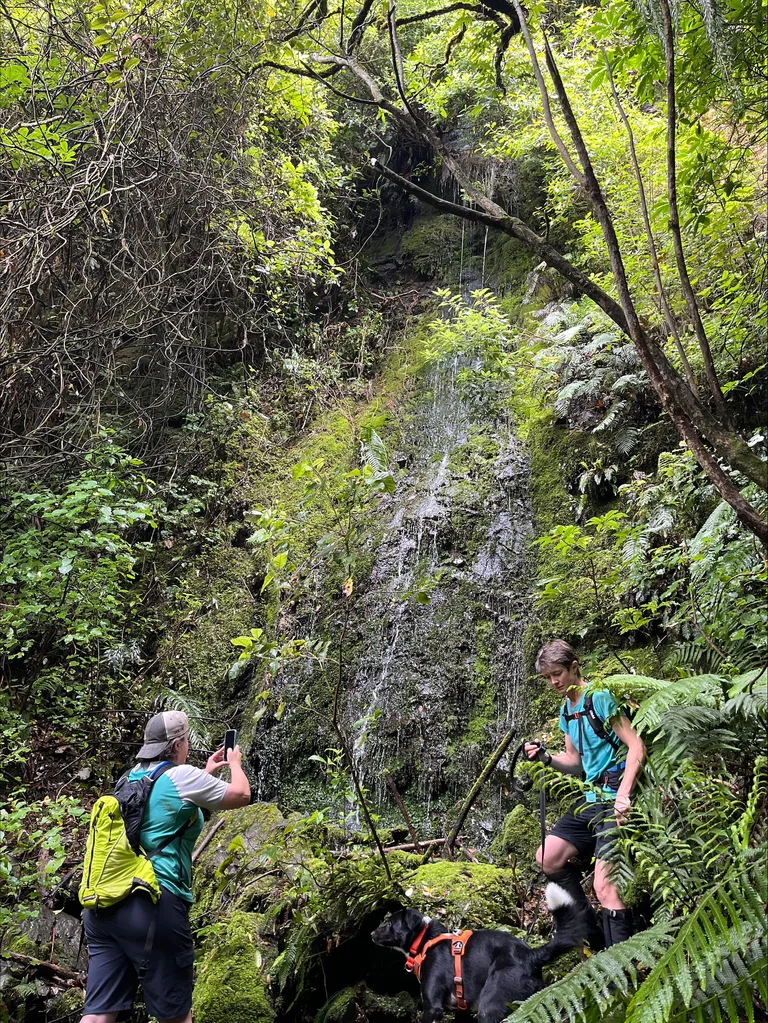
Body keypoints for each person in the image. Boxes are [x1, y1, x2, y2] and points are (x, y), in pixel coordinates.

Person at [80, 710, 251, 1023]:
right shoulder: (182, 777)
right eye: (186, 740)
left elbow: (165, 810)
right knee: (176, 1017)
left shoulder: (129, 778)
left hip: (105, 908)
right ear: (178, 744)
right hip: (151, 906)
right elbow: (241, 794)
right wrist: (235, 763)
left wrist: (206, 774)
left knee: (98, 1016)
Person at [525, 640, 645, 948]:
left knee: (605, 887)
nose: (554, 682)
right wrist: (546, 758)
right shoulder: (567, 710)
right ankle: (591, 937)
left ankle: (621, 967)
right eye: (548, 677)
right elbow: (575, 762)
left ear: (574, 667)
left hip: (616, 797)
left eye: (557, 674)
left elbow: (636, 746)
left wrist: (624, 795)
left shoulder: (600, 698)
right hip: (592, 799)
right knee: (546, 858)